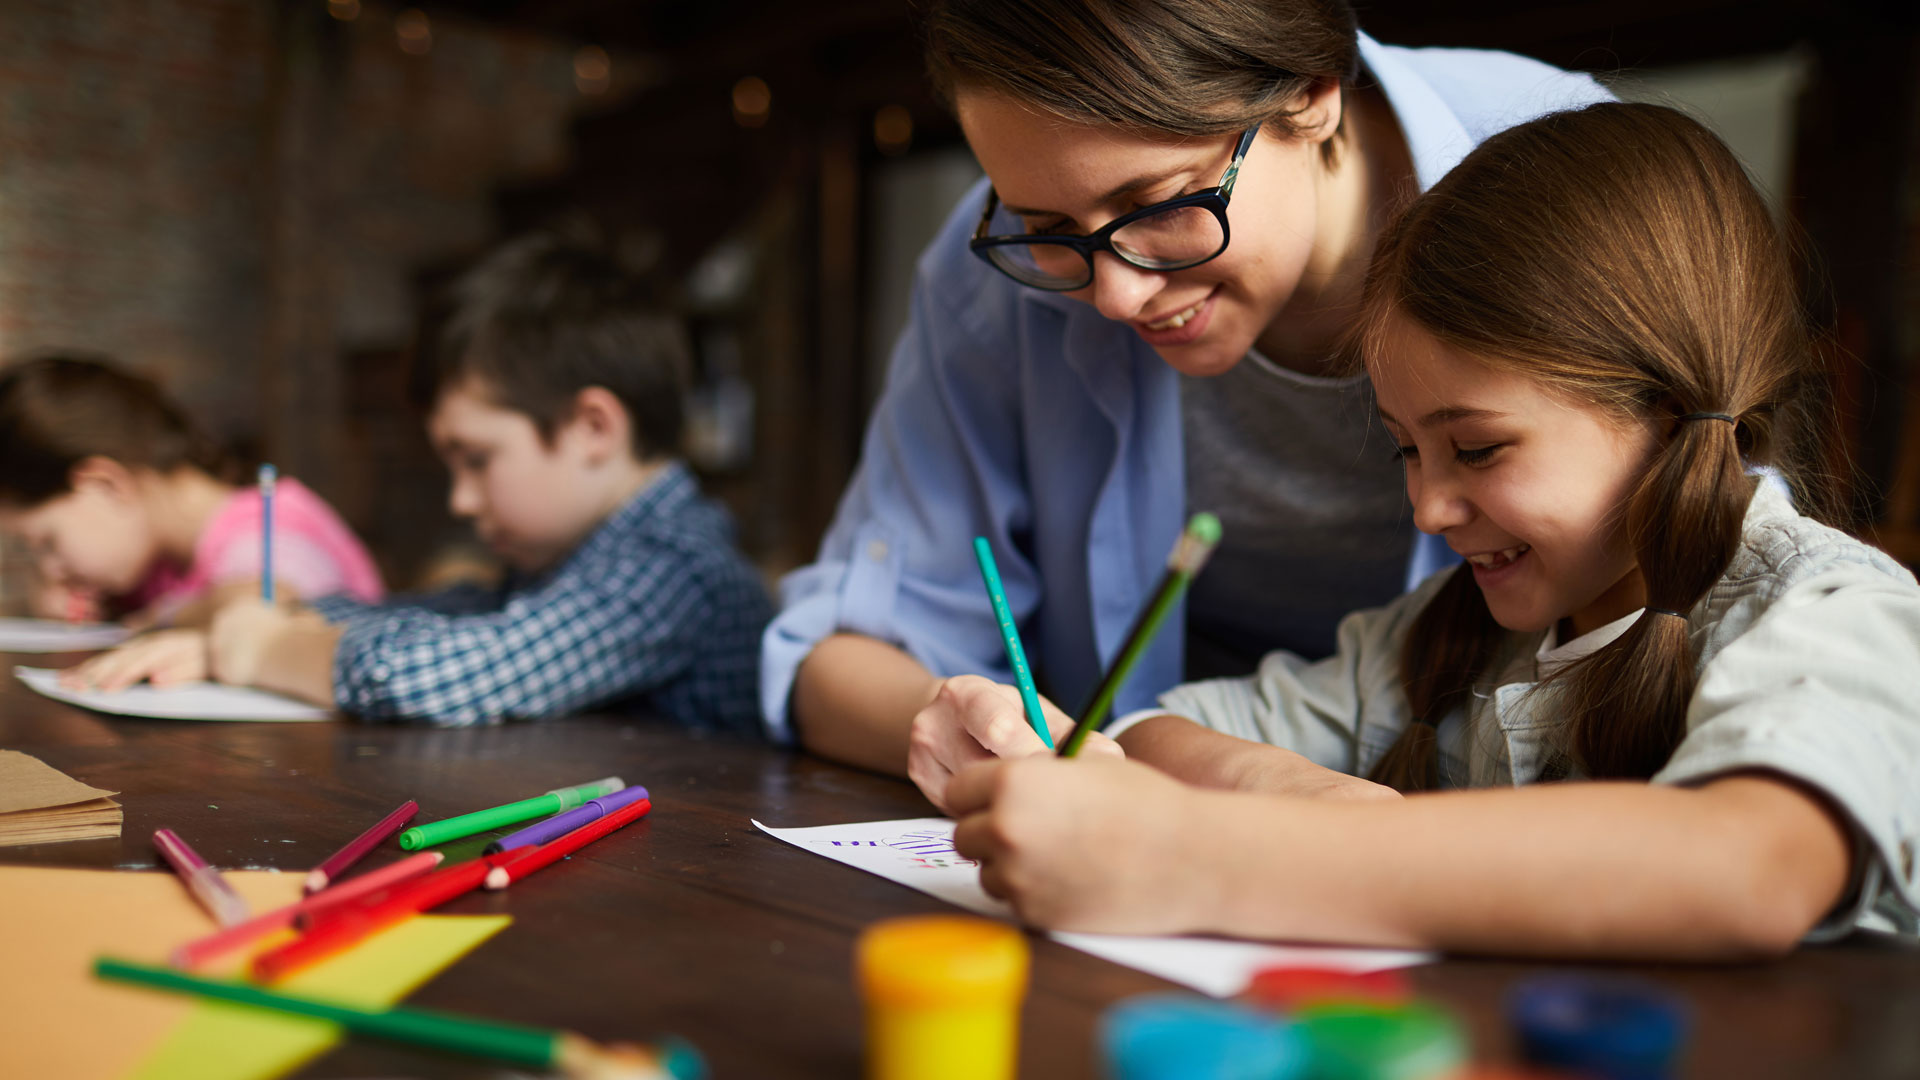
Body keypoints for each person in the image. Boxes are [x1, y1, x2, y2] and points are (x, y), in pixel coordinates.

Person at [921, 103, 1920, 955]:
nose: (1428, 509)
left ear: (1664, 413)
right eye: (1407, 450)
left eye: (1477, 449)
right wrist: (1295, 793)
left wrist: (1194, 860)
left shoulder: (1833, 614)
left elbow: (1746, 869)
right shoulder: (1436, 635)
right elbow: (1155, 730)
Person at [765, 0, 1614, 774]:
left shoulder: (1578, 182)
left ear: (1314, 94)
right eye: (1048, 228)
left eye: (1159, 204)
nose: (1115, 297)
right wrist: (1012, 743)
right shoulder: (997, 273)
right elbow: (831, 658)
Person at [129, 230, 772, 732]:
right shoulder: (580, 555)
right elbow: (433, 617)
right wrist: (270, 620)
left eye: (477, 459)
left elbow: (443, 673)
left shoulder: (670, 569)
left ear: (592, 428)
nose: (460, 499)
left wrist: (263, 651)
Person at [0, 354, 383, 688]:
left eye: (47, 543)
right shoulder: (154, 563)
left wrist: (148, 619)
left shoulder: (272, 527)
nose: (52, 569)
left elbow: (269, 602)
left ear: (105, 484)